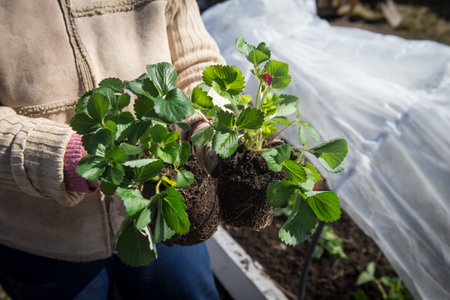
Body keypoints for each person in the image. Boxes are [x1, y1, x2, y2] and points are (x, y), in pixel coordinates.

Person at [0, 0, 225, 299]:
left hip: (162, 208)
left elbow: (195, 60)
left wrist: (205, 124)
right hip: (42, 237)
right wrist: (68, 158)